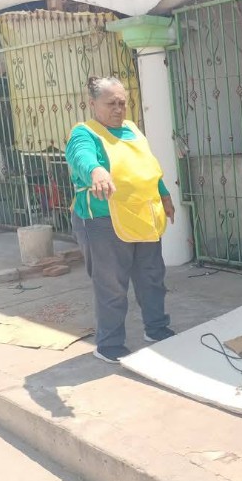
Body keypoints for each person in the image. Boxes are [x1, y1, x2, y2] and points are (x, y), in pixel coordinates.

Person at [66, 76, 176, 363]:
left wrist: (164, 195)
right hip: (103, 220)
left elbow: (149, 168)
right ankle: (109, 344)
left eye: (122, 103)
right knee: (111, 286)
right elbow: (81, 156)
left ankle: (156, 328)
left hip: (143, 216)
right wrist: (96, 171)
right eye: (111, 103)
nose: (118, 109)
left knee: (151, 277)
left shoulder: (132, 130)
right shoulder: (84, 133)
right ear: (92, 104)